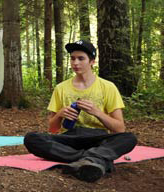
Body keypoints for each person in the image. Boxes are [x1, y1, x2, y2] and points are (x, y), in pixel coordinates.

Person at [24, 40, 137, 182]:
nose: (75, 63)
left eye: (81, 58)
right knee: (31, 138)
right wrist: (60, 114)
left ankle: (86, 158)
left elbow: (120, 128)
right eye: (72, 58)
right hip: (70, 138)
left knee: (129, 138)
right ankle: (93, 158)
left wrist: (97, 112)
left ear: (92, 61)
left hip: (98, 138)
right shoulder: (61, 88)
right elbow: (52, 129)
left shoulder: (108, 87)